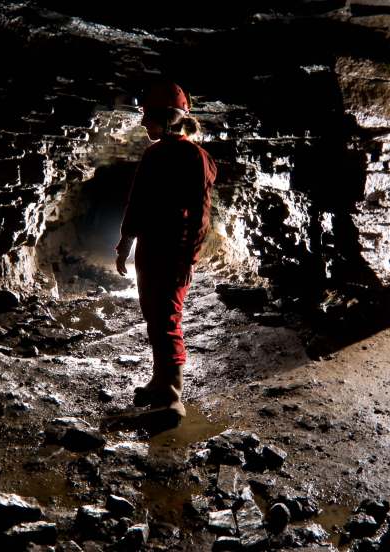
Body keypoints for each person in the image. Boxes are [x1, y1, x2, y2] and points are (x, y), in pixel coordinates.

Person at [114, 81, 218, 421]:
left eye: (148, 116)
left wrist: (188, 259)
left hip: (172, 250)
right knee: (153, 316)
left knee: (168, 319)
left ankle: (173, 396)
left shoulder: (195, 157)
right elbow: (137, 202)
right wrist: (125, 244)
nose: (144, 123)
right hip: (150, 248)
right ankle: (160, 382)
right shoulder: (153, 154)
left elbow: (201, 214)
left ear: (168, 117)